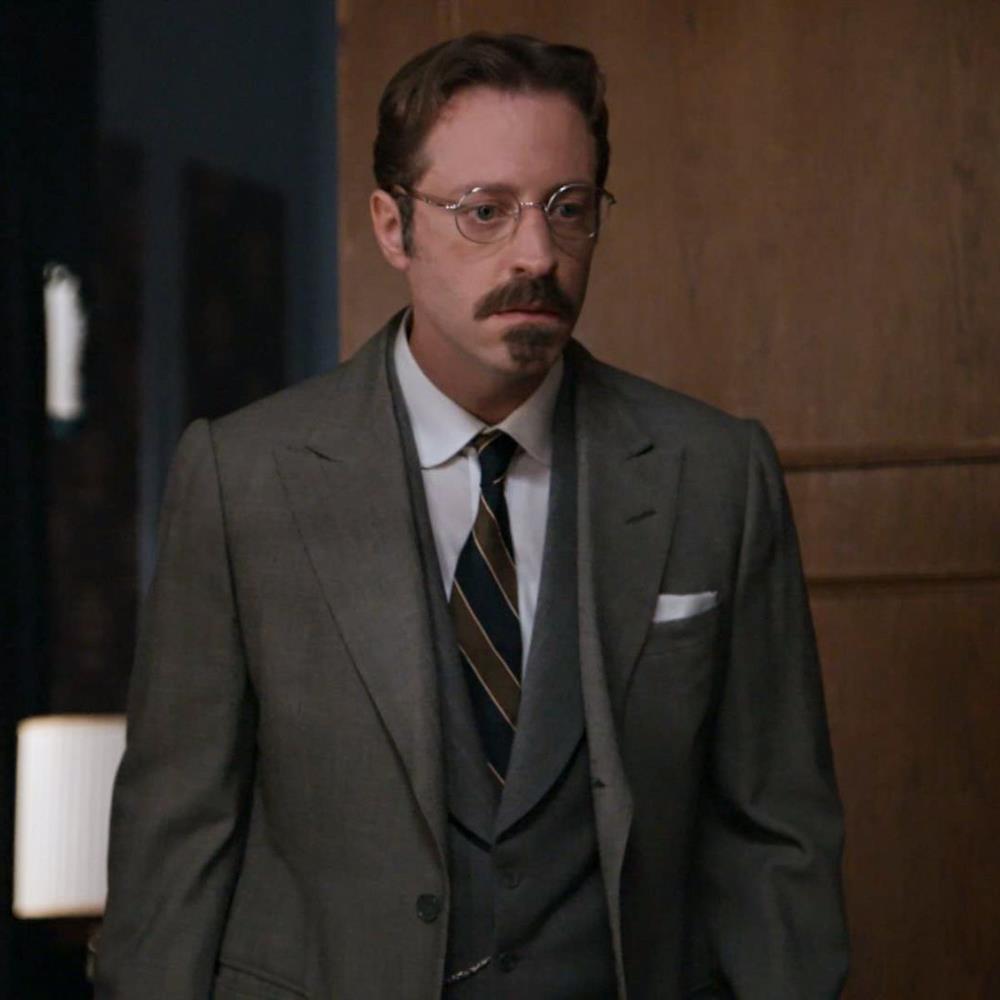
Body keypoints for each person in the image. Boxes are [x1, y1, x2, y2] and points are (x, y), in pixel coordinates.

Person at [96, 32, 848, 1000]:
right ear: (393, 226)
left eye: (568, 208)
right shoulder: (243, 476)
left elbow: (777, 834)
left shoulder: (714, 471)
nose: (537, 254)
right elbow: (175, 837)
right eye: (484, 211)